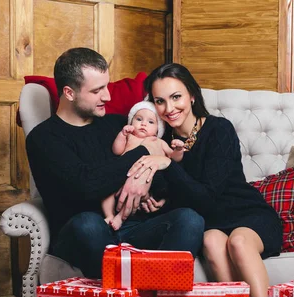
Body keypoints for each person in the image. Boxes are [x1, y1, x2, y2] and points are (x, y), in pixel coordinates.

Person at [131, 63, 283, 297]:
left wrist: (168, 167)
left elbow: (208, 196)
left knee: (238, 242)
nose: (168, 108)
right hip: (212, 223)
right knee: (211, 241)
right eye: (160, 101)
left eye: (175, 97)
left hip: (246, 213)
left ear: (191, 95)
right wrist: (156, 199)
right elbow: (176, 196)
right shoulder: (161, 144)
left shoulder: (218, 129)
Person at [25, 49, 205, 279]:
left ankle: (156, 293)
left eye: (107, 86)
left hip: (132, 227)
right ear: (69, 93)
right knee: (88, 223)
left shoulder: (116, 124)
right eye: (97, 90)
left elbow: (159, 165)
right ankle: (135, 288)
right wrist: (143, 151)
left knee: (189, 219)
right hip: (84, 234)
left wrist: (156, 193)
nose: (107, 97)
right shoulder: (44, 138)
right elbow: (85, 186)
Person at [104, 101, 184, 230]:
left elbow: (173, 158)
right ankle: (109, 215)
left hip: (144, 178)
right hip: (123, 173)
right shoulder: (130, 136)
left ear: (158, 129)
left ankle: (120, 217)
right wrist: (122, 135)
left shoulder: (158, 141)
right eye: (139, 119)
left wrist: (178, 150)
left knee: (136, 196)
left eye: (151, 122)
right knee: (106, 192)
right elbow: (117, 150)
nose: (143, 124)